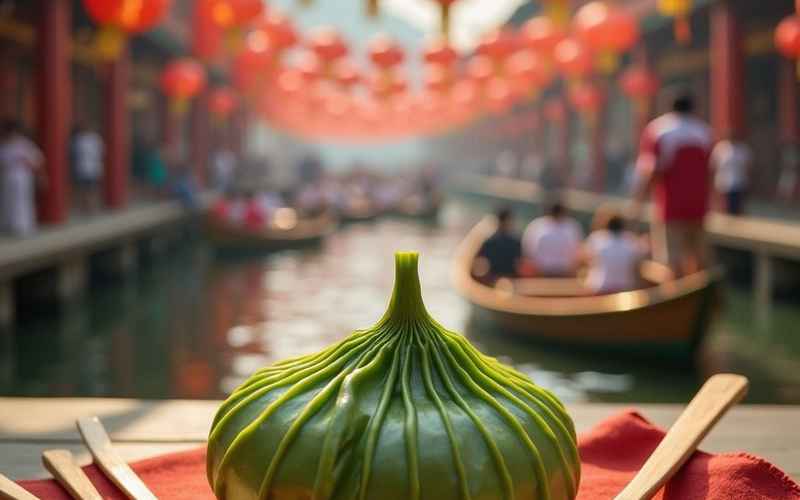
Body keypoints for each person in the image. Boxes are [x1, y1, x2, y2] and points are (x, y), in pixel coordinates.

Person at [634, 92, 713, 277]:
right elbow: (711, 171)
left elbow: (651, 171)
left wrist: (638, 203)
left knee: (672, 261)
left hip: (670, 207)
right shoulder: (704, 131)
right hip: (699, 206)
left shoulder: (658, 130)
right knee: (698, 260)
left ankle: (676, 298)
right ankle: (695, 300)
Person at [0, 120, 45, 237]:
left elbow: (37, 160)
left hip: (21, 176)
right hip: (7, 177)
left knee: (22, 201)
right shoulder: (4, 145)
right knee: (6, 201)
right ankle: (8, 225)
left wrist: (38, 174)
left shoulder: (24, 144)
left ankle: (23, 226)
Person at [584, 212, 646, 294]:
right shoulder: (631, 240)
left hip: (600, 288)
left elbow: (584, 259)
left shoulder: (596, 238)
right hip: (625, 289)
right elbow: (638, 264)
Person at [521, 201, 583, 277]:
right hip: (542, 271)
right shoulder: (572, 226)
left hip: (564, 272)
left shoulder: (536, 225)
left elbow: (528, 249)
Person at [475, 208, 522, 282]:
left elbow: (481, 262)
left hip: (493, 280)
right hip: (511, 280)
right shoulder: (516, 243)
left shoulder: (489, 242)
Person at [711, 134, 751, 215]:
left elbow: (748, 166)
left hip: (739, 183)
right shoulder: (720, 148)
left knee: (737, 209)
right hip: (723, 184)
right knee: (723, 209)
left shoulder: (742, 149)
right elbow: (713, 166)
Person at [70, 123, 104, 214]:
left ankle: (87, 207)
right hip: (88, 167)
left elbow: (73, 153)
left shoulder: (83, 139)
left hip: (87, 168)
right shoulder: (92, 138)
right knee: (87, 189)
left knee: (87, 189)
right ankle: (87, 207)